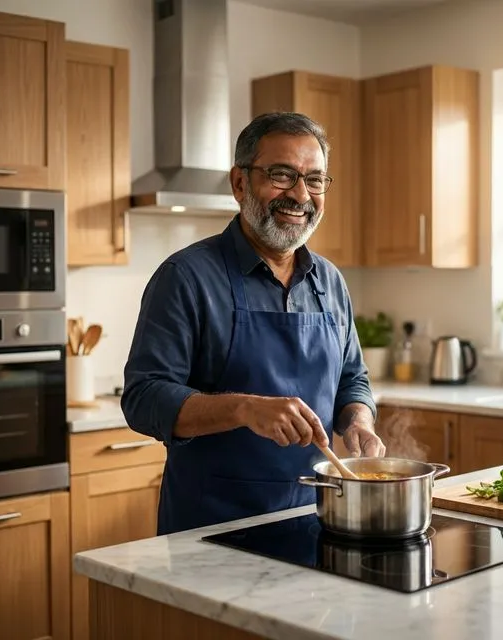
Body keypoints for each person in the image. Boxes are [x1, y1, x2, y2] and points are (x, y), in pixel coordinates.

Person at [121, 111, 385, 536]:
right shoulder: (186, 277)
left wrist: (358, 422)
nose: (300, 194)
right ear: (240, 183)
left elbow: (352, 379)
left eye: (315, 179)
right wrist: (245, 408)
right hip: (211, 530)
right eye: (281, 175)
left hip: (313, 518)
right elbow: (143, 398)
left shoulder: (330, 281)